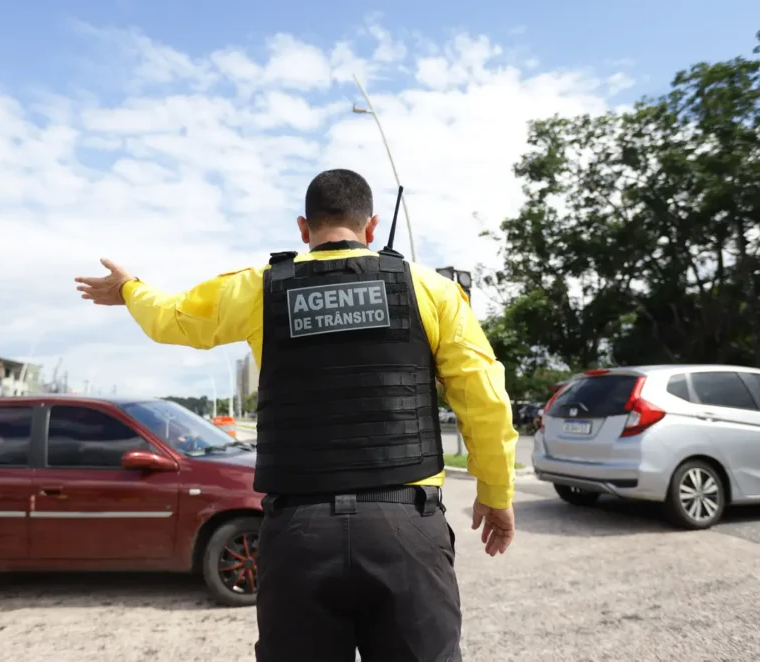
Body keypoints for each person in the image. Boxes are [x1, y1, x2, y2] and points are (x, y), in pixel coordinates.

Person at [75, 169, 518, 661]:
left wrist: (130, 289)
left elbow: (171, 318)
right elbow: (485, 398)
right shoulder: (432, 289)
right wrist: (495, 492)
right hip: (406, 527)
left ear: (304, 229)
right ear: (371, 228)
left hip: (299, 533)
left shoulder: (258, 287)